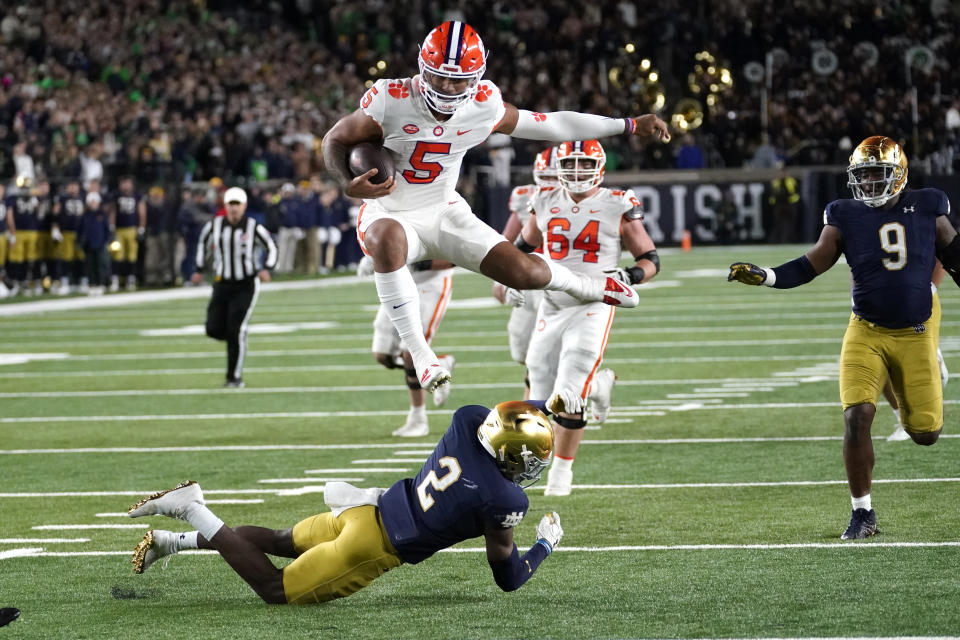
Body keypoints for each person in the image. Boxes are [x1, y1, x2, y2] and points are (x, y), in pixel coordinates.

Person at [321, 20, 669, 395]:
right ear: (423, 69)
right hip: (390, 213)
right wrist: (347, 182)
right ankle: (422, 355)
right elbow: (334, 140)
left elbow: (551, 125)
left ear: (477, 75)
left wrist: (628, 125)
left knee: (524, 273)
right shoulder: (390, 98)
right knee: (385, 238)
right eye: (439, 78)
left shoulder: (483, 104)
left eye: (458, 81)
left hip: (443, 210)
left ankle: (592, 287)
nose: (449, 88)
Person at [127, 397, 581, 604]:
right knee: (273, 589)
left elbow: (509, 411)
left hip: (369, 507)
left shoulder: (467, 421)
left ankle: (172, 541)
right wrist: (544, 545)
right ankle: (192, 506)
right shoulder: (503, 496)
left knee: (283, 540)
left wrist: (550, 403)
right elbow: (508, 577)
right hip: (373, 548)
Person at [728, 135, 960, 540]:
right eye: (863, 176)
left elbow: (955, 255)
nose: (869, 184)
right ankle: (862, 512)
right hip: (865, 330)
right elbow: (811, 264)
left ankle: (895, 382)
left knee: (926, 434)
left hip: (915, 330)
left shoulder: (928, 205)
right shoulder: (845, 215)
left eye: (877, 175)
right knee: (857, 416)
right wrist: (767, 276)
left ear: (899, 174)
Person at [516, 139, 661, 496]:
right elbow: (522, 247)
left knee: (569, 390)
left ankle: (561, 474)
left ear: (599, 167)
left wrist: (630, 276)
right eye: (571, 165)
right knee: (540, 391)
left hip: (594, 300)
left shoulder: (617, 203)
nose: (577, 172)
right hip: (552, 302)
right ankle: (599, 385)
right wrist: (509, 277)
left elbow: (651, 259)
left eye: (584, 164)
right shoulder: (545, 199)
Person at [359, 255, 457, 437]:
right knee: (382, 355)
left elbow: (458, 255)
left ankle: (418, 419)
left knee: (410, 353)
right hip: (400, 283)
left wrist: (421, 263)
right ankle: (439, 363)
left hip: (431, 284)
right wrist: (373, 257)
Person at [191, 187, 278, 388]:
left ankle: (234, 377)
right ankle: (236, 337)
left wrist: (267, 268)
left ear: (244, 206)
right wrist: (198, 268)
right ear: (225, 205)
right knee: (212, 328)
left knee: (235, 329)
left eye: (237, 204)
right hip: (221, 283)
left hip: (245, 284)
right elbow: (202, 245)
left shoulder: (253, 226)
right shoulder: (215, 225)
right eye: (231, 204)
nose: (234, 208)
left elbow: (271, 246)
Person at [493, 147, 558, 399]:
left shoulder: (578, 203)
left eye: (555, 176)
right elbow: (507, 240)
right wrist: (501, 277)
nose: (551, 182)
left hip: (556, 282)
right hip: (525, 280)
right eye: (547, 176)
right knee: (521, 348)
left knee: (539, 354)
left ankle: (534, 410)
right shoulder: (524, 196)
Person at [885, 262, 949, 441]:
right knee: (876, 363)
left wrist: (930, 288)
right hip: (874, 301)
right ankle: (901, 417)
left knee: (928, 431)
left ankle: (933, 359)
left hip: (916, 297)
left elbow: (944, 245)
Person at [108, 176, 146, 292]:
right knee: (117, 254)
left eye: (127, 183)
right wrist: (112, 225)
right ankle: (115, 279)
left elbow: (142, 212)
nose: (125, 186)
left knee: (132, 255)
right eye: (123, 183)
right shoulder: (116, 195)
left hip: (132, 229)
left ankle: (131, 279)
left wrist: (141, 228)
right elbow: (113, 211)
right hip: (119, 229)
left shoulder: (137, 196)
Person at [77, 192, 112, 296]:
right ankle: (92, 284)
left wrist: (107, 240)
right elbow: (80, 230)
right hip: (88, 244)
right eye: (91, 202)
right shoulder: (84, 216)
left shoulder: (102, 215)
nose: (93, 204)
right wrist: (79, 241)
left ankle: (101, 283)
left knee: (101, 265)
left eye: (95, 201)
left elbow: (107, 230)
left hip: (100, 244)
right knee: (90, 266)